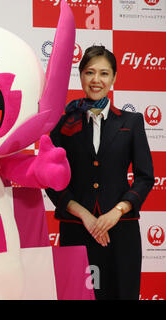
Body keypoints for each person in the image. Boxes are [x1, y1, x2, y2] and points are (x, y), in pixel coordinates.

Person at [45, 45, 154, 300]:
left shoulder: (131, 122)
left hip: (121, 231)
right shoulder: (62, 125)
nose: (97, 80)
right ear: (80, 75)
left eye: (104, 73)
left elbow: (145, 176)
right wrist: (85, 215)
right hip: (77, 229)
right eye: (90, 72)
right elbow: (51, 181)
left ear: (114, 78)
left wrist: (116, 212)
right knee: (77, 295)